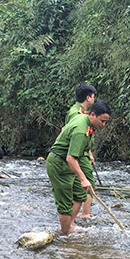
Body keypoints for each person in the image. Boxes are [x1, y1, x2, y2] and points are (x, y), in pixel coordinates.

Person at [46, 100, 111, 235]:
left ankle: (70, 225)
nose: (103, 125)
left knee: (80, 194)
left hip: (70, 163)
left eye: (106, 122)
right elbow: (71, 158)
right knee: (65, 205)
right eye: (102, 121)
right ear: (92, 114)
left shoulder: (85, 119)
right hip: (59, 164)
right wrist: (83, 179)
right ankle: (66, 237)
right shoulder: (80, 130)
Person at [65, 83, 97, 219]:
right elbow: (74, 135)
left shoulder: (81, 111)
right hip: (77, 155)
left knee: (81, 185)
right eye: (93, 97)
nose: (94, 99)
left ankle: (79, 215)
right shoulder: (76, 113)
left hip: (83, 153)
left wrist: (89, 152)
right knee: (87, 184)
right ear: (88, 98)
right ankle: (85, 215)